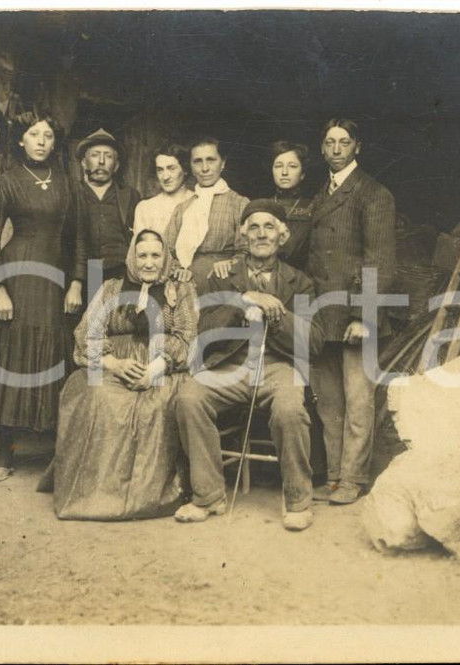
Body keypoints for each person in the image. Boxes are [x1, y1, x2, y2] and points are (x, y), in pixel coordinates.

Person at [174, 200, 326, 531]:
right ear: (243, 236)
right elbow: (204, 330)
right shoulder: (221, 276)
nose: (261, 234)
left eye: (269, 227)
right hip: (230, 363)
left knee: (289, 409)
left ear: (283, 236)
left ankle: (299, 501)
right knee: (189, 398)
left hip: (278, 365)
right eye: (253, 227)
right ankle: (207, 496)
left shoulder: (299, 282)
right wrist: (244, 301)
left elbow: (313, 341)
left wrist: (278, 312)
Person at [0, 108, 81, 482]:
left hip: (56, 278)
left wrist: (77, 282)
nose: (42, 142)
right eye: (34, 135)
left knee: (56, 355)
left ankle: (57, 452)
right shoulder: (6, 182)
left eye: (48, 136)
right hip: (17, 276)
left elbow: (79, 238)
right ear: (20, 139)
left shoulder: (67, 183)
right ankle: (5, 452)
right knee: (12, 357)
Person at [50, 229, 198, 520]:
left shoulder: (179, 291)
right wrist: (114, 364)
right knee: (98, 397)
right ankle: (93, 495)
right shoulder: (111, 288)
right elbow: (86, 332)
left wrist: (154, 371)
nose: (148, 262)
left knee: (155, 406)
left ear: (166, 258)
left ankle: (144, 497)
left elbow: (188, 337)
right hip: (111, 364)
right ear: (132, 257)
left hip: (163, 367)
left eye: (156, 255)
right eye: (142, 255)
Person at [308, 118, 396, 505]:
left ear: (357, 147)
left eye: (344, 142)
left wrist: (366, 316)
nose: (337, 148)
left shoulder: (373, 194)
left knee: (358, 399)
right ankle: (332, 476)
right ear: (323, 149)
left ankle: (354, 479)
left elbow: (379, 259)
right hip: (322, 313)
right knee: (328, 402)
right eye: (330, 142)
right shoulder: (320, 195)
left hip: (355, 314)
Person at [64, 128, 142, 315]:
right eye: (95, 155)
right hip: (82, 275)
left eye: (107, 156)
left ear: (116, 165)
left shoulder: (130, 196)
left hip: (121, 272)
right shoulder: (70, 193)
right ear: (83, 162)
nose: (101, 161)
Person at [163, 137, 250, 295]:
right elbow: (166, 251)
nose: (204, 168)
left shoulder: (239, 204)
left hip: (223, 284)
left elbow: (247, 251)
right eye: (197, 161)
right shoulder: (182, 209)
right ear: (190, 165)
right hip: (184, 285)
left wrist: (230, 263)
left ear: (222, 163)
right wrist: (178, 269)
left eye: (211, 160)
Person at [132, 143, 195, 238]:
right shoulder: (145, 208)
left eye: (171, 169)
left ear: (185, 169)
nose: (165, 177)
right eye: (160, 170)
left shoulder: (198, 202)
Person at [269, 140, 314, 271]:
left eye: (292, 166)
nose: (284, 172)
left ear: (303, 174)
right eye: (278, 166)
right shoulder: (262, 206)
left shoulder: (313, 206)